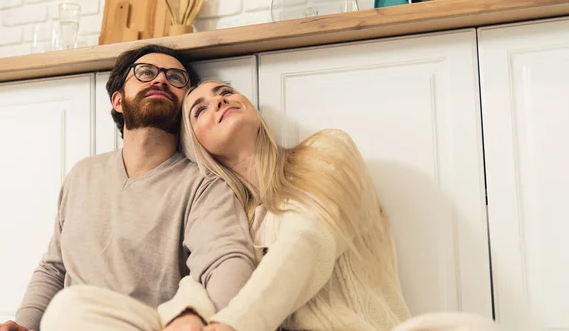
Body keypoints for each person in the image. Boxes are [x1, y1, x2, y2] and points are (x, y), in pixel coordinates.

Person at [173, 81, 504, 331]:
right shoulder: (237, 219)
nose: (219, 100)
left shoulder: (326, 152)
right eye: (200, 109)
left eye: (226, 91)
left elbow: (307, 239)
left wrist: (231, 324)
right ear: (196, 146)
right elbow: (208, 271)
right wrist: (185, 311)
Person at [0, 46, 256, 331]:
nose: (160, 80)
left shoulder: (204, 184)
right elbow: (54, 268)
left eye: (175, 78)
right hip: (67, 321)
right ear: (118, 100)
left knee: (72, 305)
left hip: (147, 323)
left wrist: (222, 324)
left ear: (184, 104)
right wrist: (23, 326)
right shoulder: (83, 174)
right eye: (145, 73)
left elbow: (227, 261)